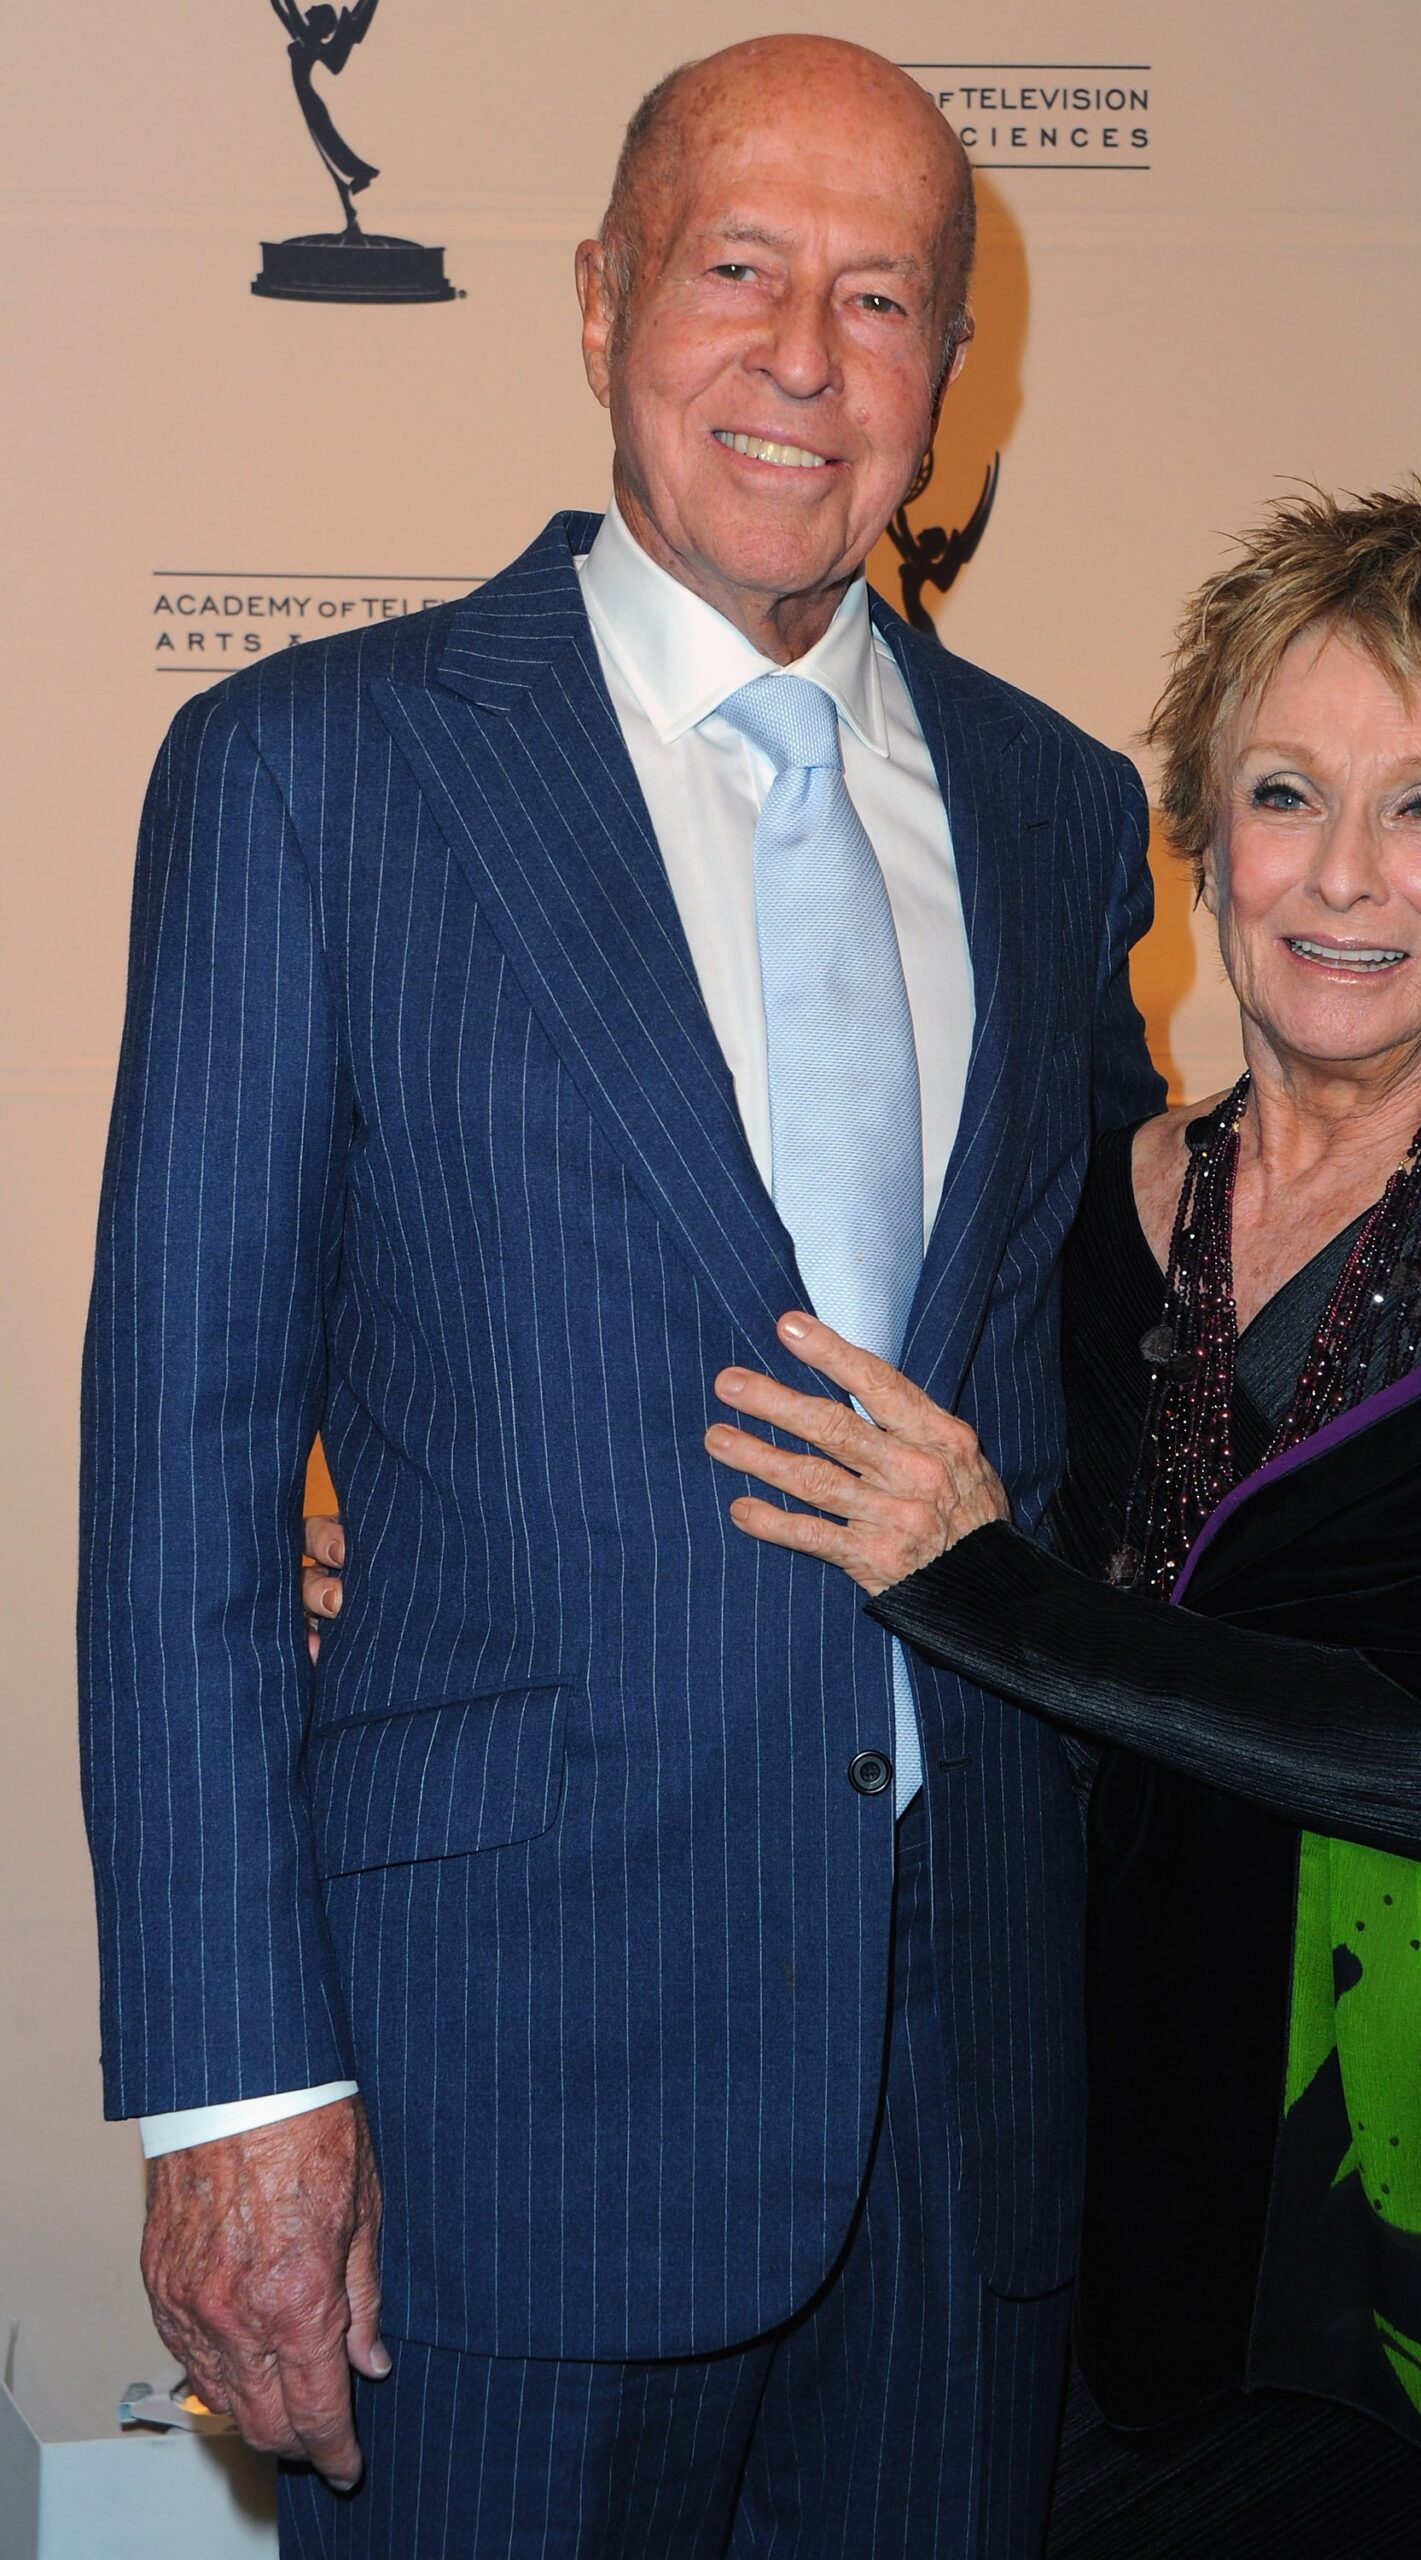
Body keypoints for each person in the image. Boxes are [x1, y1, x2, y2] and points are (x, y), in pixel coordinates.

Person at [79, 35, 1162, 2556]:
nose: (805, 352)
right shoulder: (311, 772)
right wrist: (236, 2095)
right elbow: (184, 1474)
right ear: (594, 306)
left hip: (969, 2111)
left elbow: (1104, 1357)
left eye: (882, 296)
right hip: (492, 2118)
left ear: (947, 378)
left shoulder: (1054, 803)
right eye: (737, 267)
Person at [699, 486, 1421, 2558]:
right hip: (1132, 2204)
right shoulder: (1071, 1197)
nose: (1338, 875)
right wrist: (389, 1563)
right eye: (1284, 792)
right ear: (1198, 840)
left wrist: (989, 1590)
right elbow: (823, 1464)